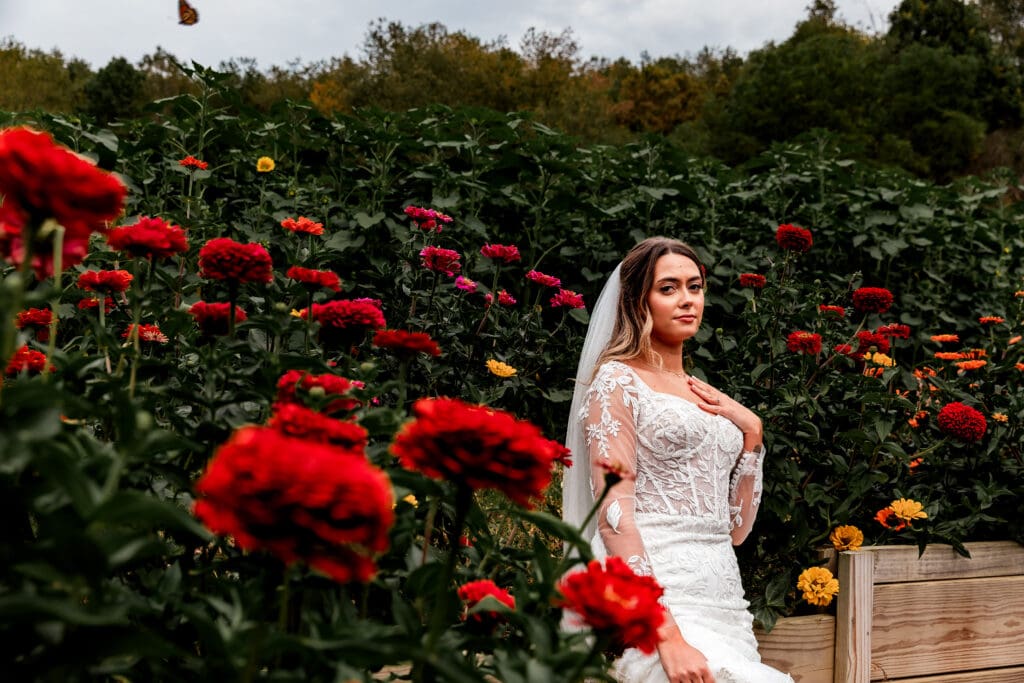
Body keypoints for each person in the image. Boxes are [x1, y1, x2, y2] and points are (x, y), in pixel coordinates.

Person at [563, 237, 792, 683]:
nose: (687, 299)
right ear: (637, 300)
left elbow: (737, 529)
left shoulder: (703, 393)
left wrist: (752, 434)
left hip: (724, 599)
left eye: (695, 286)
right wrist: (666, 635)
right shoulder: (617, 380)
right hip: (654, 592)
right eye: (668, 288)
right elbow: (613, 517)